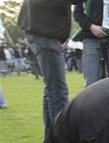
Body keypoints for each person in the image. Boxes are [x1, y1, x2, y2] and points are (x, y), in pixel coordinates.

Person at [17, 0, 78, 134]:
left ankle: (52, 139)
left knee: (52, 90)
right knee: (57, 91)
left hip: (43, 29)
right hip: (44, 30)